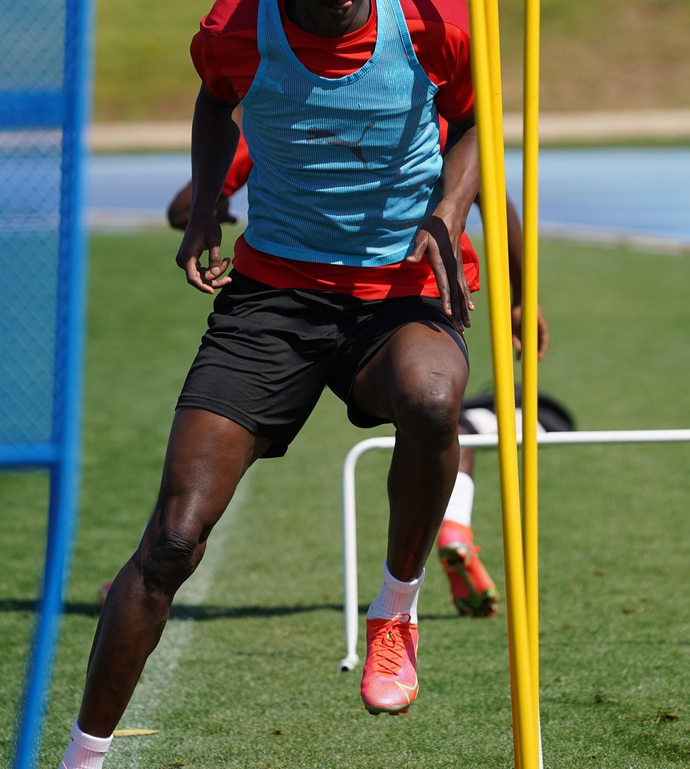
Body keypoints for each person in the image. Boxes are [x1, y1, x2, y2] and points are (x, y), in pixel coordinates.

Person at [59, 0, 517, 769]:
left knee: (434, 399)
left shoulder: (435, 21)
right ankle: (82, 758)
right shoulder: (237, 28)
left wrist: (450, 210)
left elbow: (480, 122)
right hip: (274, 300)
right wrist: (204, 208)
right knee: (172, 541)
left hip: (398, 292)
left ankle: (395, 612)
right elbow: (214, 99)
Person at [162, 135, 550, 619]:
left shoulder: (271, 113)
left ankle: (160, 559)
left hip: (286, 309)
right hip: (399, 307)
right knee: (435, 416)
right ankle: (448, 529)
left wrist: (214, 208)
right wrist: (520, 295)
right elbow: (490, 191)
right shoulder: (424, 108)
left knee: (210, 454)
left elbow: (182, 208)